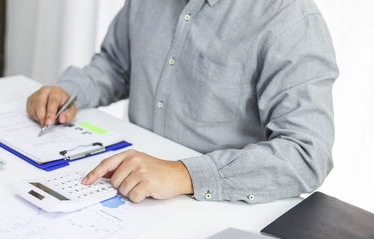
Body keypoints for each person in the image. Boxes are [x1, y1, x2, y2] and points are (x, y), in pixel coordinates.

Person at [27, 0, 338, 204]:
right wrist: (69, 91)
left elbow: (306, 153)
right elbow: (115, 65)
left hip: (221, 207)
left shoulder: (290, 19)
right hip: (130, 191)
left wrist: (183, 174)